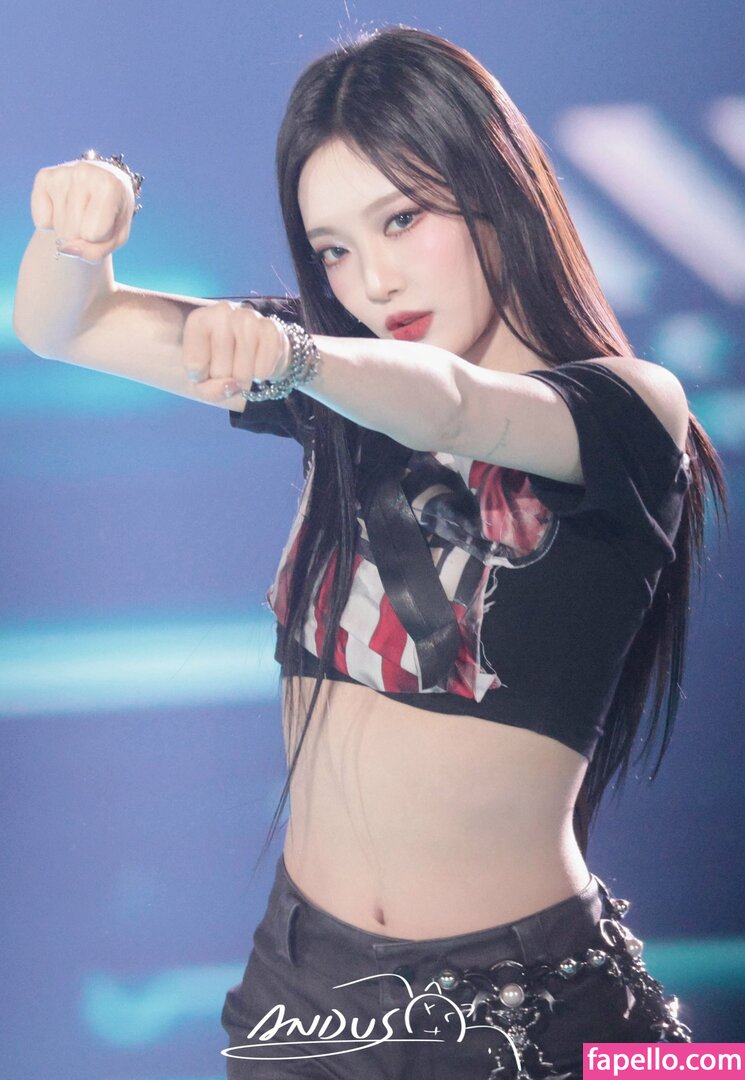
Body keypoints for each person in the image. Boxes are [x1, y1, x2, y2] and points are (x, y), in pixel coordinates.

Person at [13, 24, 727, 1080]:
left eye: (402, 218)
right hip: (303, 993)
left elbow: (460, 407)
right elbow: (63, 329)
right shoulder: (334, 369)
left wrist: (297, 357)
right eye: (334, 251)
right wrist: (76, 235)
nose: (375, 280)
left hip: (523, 1009)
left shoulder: (628, 407)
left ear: (495, 187)